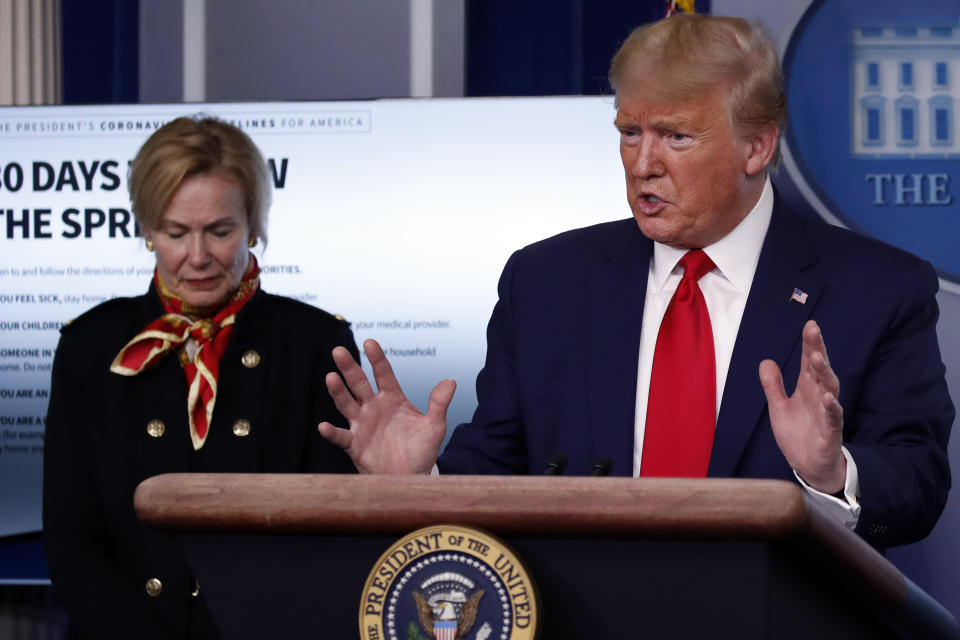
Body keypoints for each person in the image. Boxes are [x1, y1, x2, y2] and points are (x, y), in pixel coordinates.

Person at [319, 14, 953, 549]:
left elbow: (918, 479)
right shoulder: (544, 283)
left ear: (757, 147)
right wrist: (419, 481)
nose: (643, 165)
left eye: (676, 136)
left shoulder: (876, 289)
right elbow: (497, 468)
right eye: (629, 133)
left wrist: (831, 473)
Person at [43, 116, 359, 639]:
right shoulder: (90, 346)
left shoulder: (315, 345)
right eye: (175, 232)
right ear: (147, 231)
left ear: (254, 225)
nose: (198, 257)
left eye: (220, 231)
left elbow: (331, 537)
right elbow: (73, 543)